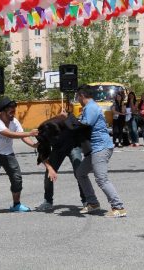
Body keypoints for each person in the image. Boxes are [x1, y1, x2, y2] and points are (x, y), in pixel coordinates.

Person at [72, 85, 126, 218]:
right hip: (96, 148)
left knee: (101, 179)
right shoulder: (89, 107)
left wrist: (69, 119)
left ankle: (118, 207)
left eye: (78, 96)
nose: (78, 99)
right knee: (81, 173)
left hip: (101, 147)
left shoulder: (91, 107)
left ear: (82, 95)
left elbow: (85, 124)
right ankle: (93, 203)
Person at [0, 97, 38, 219]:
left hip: (8, 153)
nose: (13, 113)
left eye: (14, 111)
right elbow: (9, 134)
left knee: (17, 178)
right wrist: (30, 133)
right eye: (10, 111)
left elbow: (22, 136)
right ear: (1, 112)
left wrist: (34, 145)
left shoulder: (14, 122)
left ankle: (16, 205)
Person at [35, 115, 89, 211]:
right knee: (48, 173)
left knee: (79, 172)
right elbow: (42, 153)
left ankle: (86, 201)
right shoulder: (42, 132)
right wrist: (50, 169)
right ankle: (48, 201)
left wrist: (87, 150)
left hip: (73, 146)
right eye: (53, 138)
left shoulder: (68, 123)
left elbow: (84, 131)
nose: (56, 138)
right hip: (58, 149)